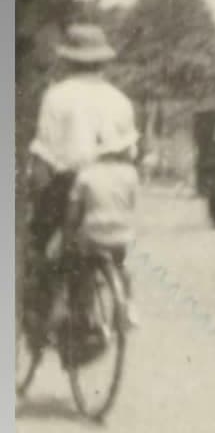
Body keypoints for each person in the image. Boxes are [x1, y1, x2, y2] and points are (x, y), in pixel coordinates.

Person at [25, 24, 138, 342]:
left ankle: (51, 309)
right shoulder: (120, 100)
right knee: (111, 239)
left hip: (70, 183)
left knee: (42, 245)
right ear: (102, 61)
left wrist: (36, 198)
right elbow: (130, 153)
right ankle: (120, 297)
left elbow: (44, 154)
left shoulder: (56, 97)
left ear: (68, 60)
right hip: (113, 184)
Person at [63, 129, 140, 329]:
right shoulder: (130, 174)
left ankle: (86, 310)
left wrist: (68, 234)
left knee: (83, 265)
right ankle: (129, 305)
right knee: (121, 265)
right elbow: (131, 205)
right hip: (121, 233)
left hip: (93, 235)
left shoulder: (86, 175)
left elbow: (73, 214)